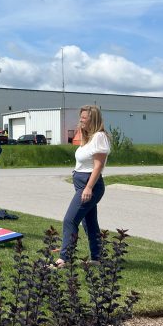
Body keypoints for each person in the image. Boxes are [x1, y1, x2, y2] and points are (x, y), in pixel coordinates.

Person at [55, 105, 111, 267]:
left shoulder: (100, 136)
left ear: (93, 119)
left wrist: (88, 188)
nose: (81, 120)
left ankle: (65, 258)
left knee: (70, 220)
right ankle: (97, 257)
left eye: (84, 118)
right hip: (81, 182)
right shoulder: (89, 138)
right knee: (89, 222)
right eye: (81, 117)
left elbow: (98, 166)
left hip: (89, 184)